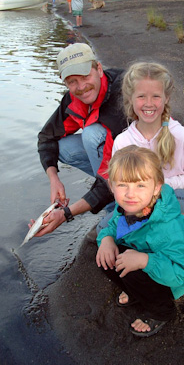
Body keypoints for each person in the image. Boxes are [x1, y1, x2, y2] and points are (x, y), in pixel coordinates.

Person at [96, 145, 184, 337]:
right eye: (123, 185)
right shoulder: (127, 207)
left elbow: (181, 272)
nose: (130, 194)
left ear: (156, 187)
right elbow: (114, 226)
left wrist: (144, 261)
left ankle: (161, 311)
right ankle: (137, 293)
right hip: (150, 254)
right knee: (106, 259)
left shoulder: (167, 228)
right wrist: (106, 239)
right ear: (112, 186)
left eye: (140, 185)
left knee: (131, 270)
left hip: (183, 271)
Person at [32, 43, 127, 236]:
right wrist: (54, 179)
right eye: (72, 81)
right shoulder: (74, 99)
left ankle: (118, 208)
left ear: (99, 69)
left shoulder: (122, 97)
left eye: (85, 76)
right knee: (62, 148)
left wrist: (66, 213)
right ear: (64, 82)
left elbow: (113, 174)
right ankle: (111, 200)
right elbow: (46, 138)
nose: (81, 87)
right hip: (115, 164)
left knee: (91, 134)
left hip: (144, 163)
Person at [112, 61, 184, 231]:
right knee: (111, 223)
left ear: (166, 97)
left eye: (156, 96)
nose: (149, 103)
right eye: (141, 96)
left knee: (179, 206)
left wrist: (160, 185)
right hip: (140, 195)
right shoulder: (122, 142)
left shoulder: (183, 136)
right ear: (130, 98)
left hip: (179, 193)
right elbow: (118, 182)